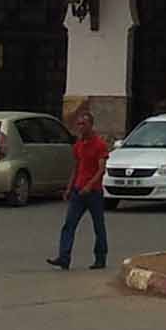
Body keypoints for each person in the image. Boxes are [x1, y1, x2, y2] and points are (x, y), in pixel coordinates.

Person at [48, 109, 112, 270]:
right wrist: (69, 188)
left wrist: (89, 185)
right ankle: (64, 257)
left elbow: (101, 170)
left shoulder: (99, 145)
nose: (80, 127)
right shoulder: (78, 145)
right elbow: (76, 168)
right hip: (78, 191)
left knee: (98, 226)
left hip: (93, 192)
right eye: (78, 124)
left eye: (83, 124)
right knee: (69, 224)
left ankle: (100, 257)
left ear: (91, 125)